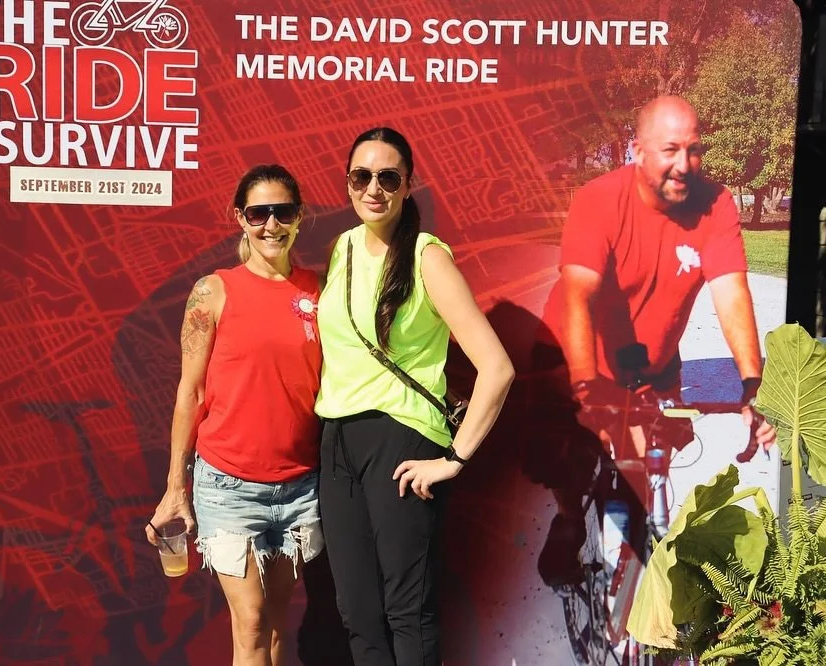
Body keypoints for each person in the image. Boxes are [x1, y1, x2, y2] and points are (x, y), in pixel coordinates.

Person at [535, 94, 778, 584]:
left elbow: (731, 293)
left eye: (694, 150)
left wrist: (754, 387)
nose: (684, 164)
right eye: (670, 150)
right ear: (637, 149)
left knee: (648, 468)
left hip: (651, 363)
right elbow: (580, 297)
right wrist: (587, 394)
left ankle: (638, 582)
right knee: (569, 464)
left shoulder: (717, 204)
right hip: (575, 355)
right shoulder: (599, 199)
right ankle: (567, 521)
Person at [315, 127, 516, 666]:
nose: (373, 188)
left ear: (408, 185)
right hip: (336, 441)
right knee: (356, 610)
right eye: (362, 176)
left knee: (407, 610)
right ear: (348, 183)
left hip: (399, 440)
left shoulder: (429, 259)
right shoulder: (344, 249)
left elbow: (496, 368)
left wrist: (454, 459)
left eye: (388, 177)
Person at [146, 164, 325, 666]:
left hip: (299, 487)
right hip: (229, 485)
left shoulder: (320, 291)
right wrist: (175, 488)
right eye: (258, 212)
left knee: (272, 629)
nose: (271, 224)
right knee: (249, 626)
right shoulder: (214, 290)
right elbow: (191, 391)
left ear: (299, 216)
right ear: (240, 219)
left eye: (282, 211)